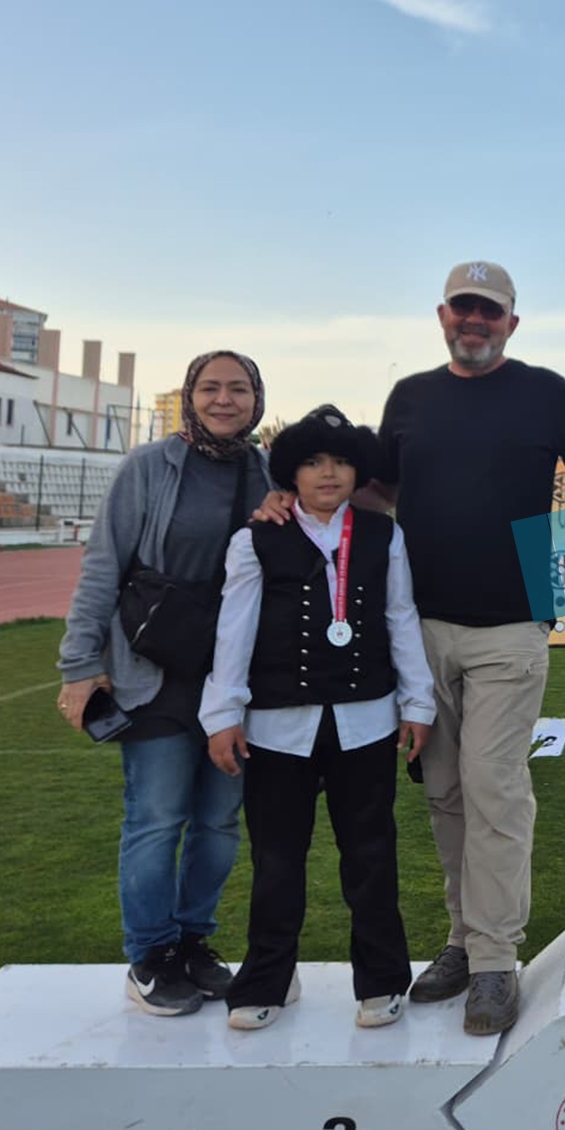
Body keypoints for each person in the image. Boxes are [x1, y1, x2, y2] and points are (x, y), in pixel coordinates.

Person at [266, 261, 565, 1035]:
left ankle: (493, 960)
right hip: (419, 629)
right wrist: (294, 490)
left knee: (494, 788)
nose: (474, 321)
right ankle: (462, 939)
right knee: (445, 794)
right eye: (463, 308)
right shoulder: (410, 397)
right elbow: (379, 490)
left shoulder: (544, 392)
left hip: (512, 627)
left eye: (489, 311)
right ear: (442, 315)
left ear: (511, 323)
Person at [201, 404, 436, 1032]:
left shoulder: (383, 535)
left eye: (339, 462)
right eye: (311, 462)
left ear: (357, 471)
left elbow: (401, 617)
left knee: (370, 855)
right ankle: (269, 979)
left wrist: (417, 703)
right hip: (278, 728)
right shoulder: (255, 539)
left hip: (367, 722)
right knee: (277, 859)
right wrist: (222, 714)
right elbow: (233, 630)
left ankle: (382, 979)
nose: (327, 473)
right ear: (291, 474)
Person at [57, 351, 270, 1015]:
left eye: (239, 389)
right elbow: (103, 565)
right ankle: (150, 955)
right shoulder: (149, 467)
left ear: (257, 399)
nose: (224, 399)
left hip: (233, 678)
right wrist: (78, 665)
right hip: (154, 671)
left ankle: (194, 943)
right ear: (188, 396)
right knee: (155, 819)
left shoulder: (268, 473)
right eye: (210, 387)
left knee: (218, 822)